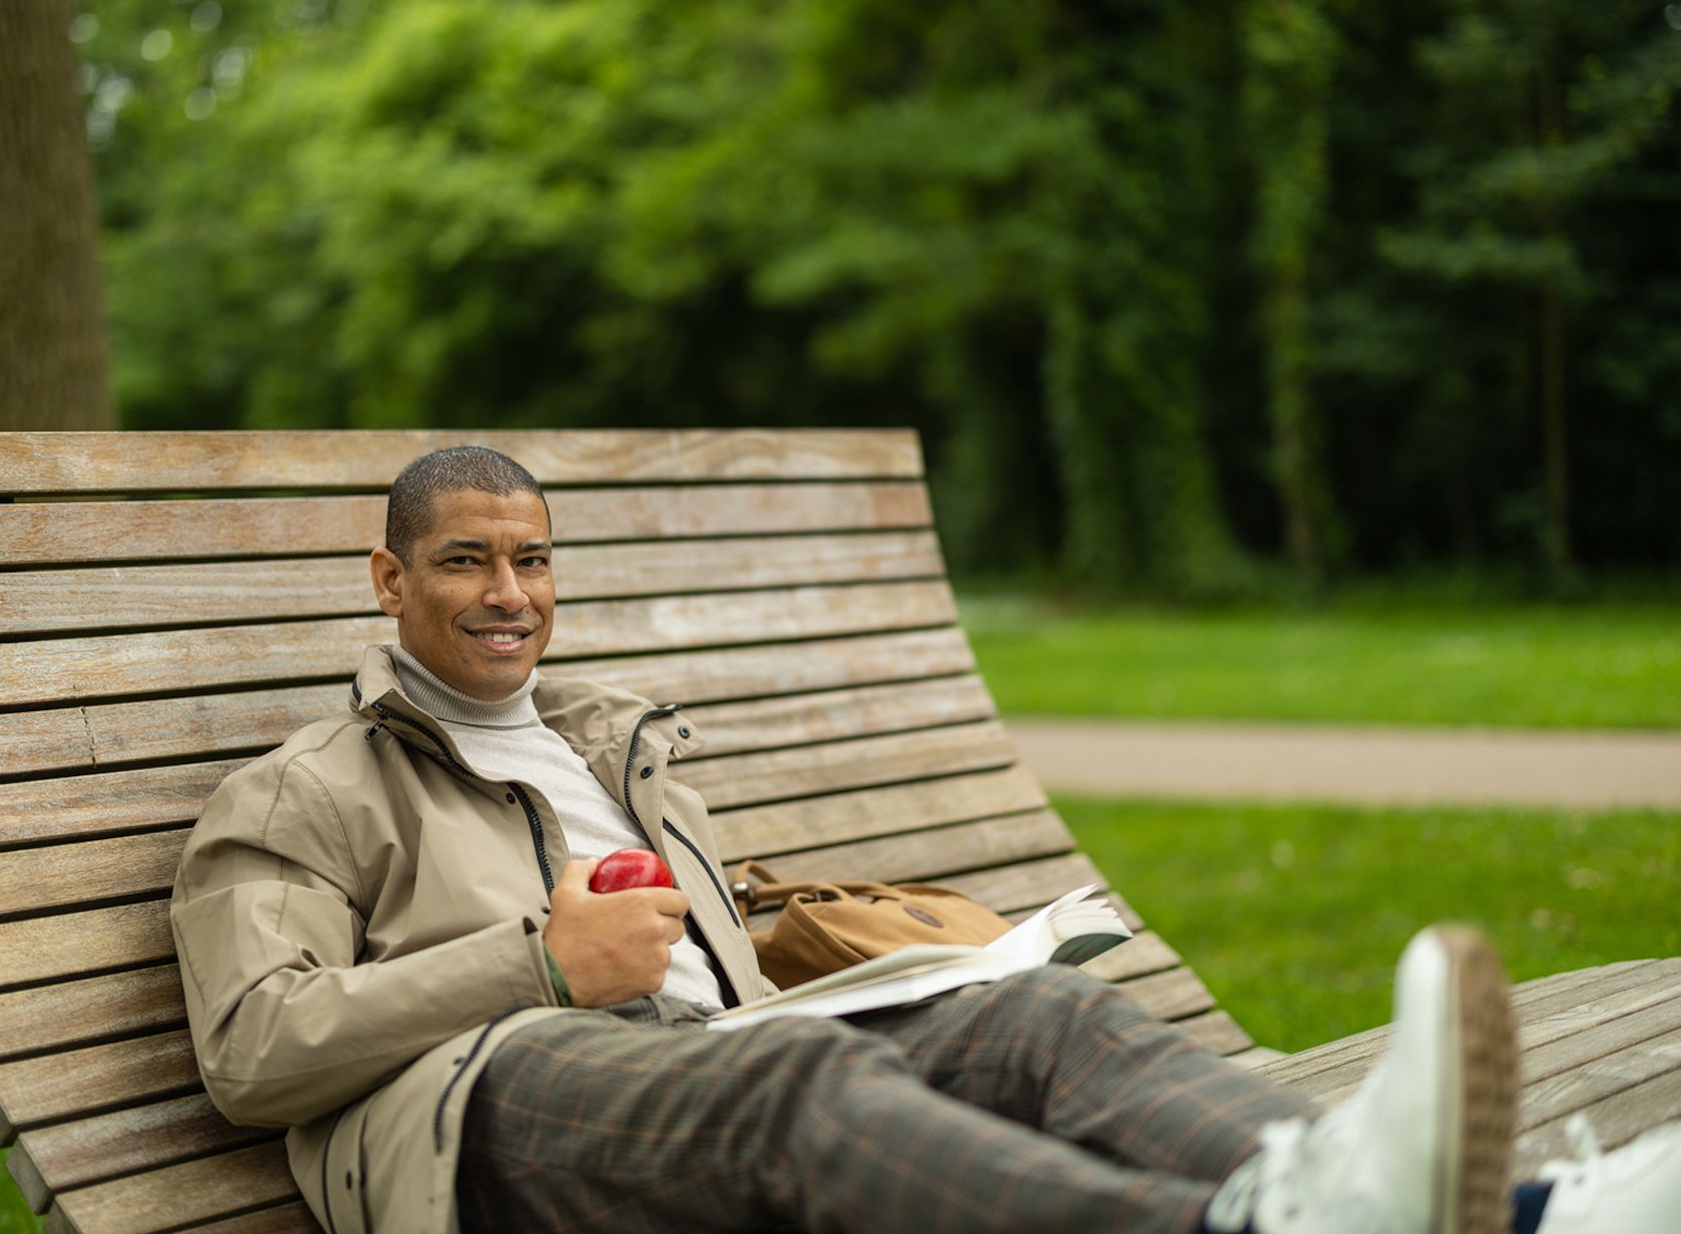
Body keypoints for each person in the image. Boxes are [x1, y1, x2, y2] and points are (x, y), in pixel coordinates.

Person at [171, 446, 1678, 1234]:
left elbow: (713, 979)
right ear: (388, 578)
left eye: (533, 559)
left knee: (1038, 1022)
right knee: (794, 1076)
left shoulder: (609, 745)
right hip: (480, 1125)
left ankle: (1513, 1215)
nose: (509, 592)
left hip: (700, 1076)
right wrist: (536, 963)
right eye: (465, 562)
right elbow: (252, 1053)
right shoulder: (301, 794)